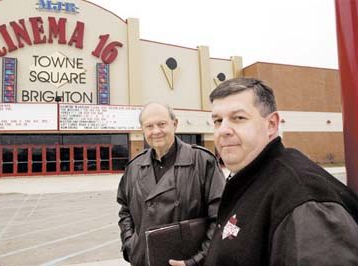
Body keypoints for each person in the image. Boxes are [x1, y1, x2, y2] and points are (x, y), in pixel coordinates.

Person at [205, 77, 358, 266]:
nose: (223, 130)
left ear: (271, 124)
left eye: (238, 118)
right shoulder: (251, 178)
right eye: (217, 120)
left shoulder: (303, 200)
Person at [117, 102, 225, 266]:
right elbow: (125, 210)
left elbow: (220, 217)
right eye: (149, 126)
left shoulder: (202, 162)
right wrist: (131, 245)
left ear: (175, 124)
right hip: (144, 260)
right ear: (142, 130)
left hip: (187, 261)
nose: (156, 131)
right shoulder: (134, 168)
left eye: (162, 124)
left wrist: (196, 261)